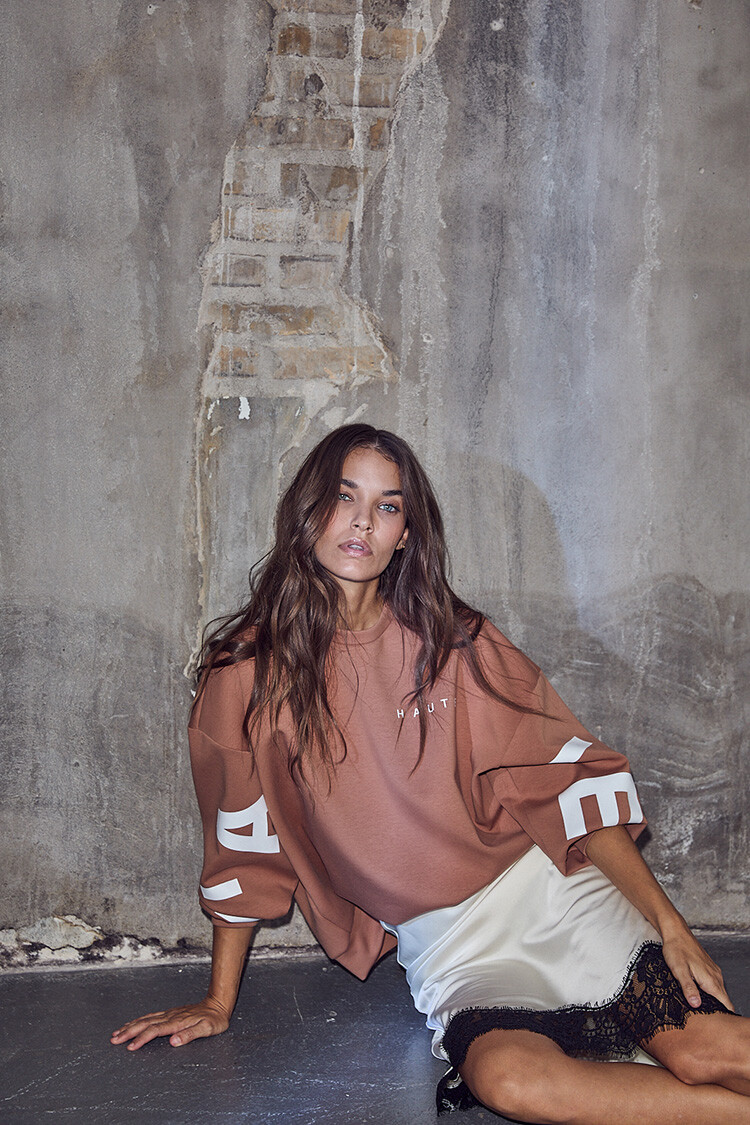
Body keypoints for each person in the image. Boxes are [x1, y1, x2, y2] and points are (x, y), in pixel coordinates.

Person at [112, 424, 750, 1122]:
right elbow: (241, 839)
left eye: (387, 506)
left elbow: (565, 782)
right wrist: (218, 1001)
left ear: (405, 535)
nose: (363, 521)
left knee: (706, 1054)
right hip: (452, 946)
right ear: (307, 510)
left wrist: (670, 924)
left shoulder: (454, 641)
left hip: (552, 894)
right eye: (344, 496)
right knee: (511, 1083)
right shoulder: (244, 674)